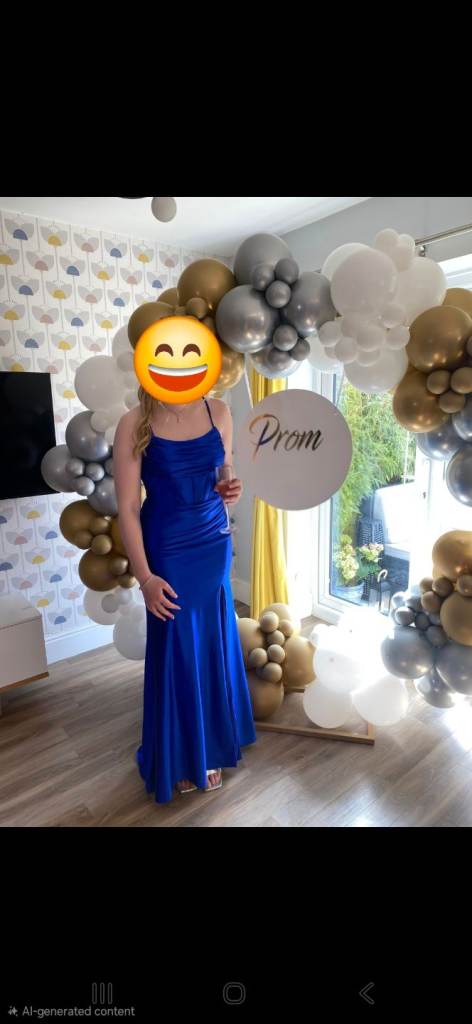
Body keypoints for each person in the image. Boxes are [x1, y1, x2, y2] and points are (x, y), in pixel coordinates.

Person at [113, 387, 257, 803]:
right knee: (178, 646)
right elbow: (127, 509)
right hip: (168, 547)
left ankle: (213, 745)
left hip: (213, 538)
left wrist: (231, 489)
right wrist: (145, 578)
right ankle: (181, 756)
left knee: (212, 639)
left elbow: (223, 471)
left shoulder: (219, 411)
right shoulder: (134, 422)